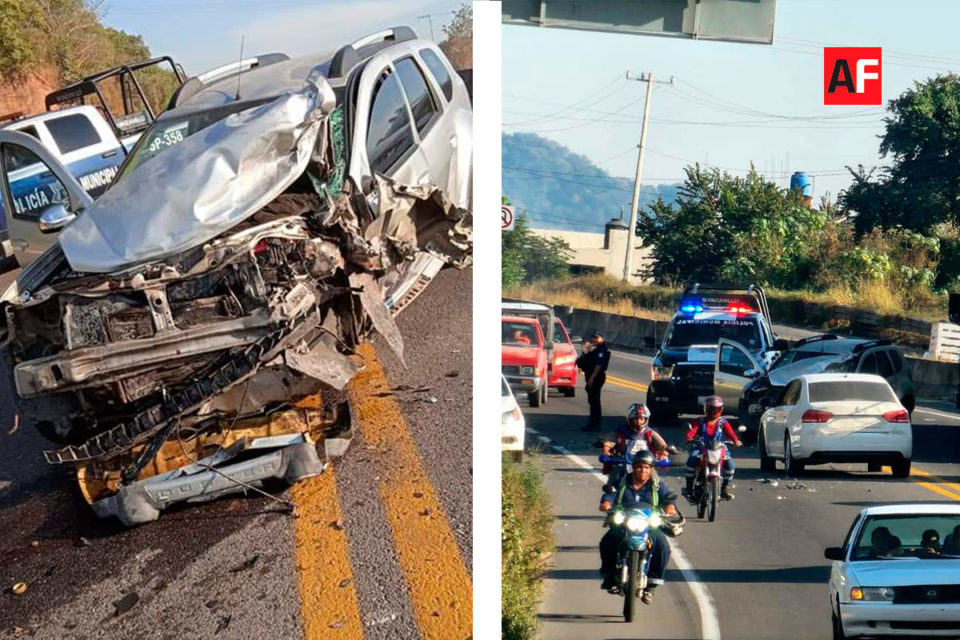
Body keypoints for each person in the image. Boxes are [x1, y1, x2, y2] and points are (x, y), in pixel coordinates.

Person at [598, 450, 677, 604]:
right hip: (623, 522)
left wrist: (670, 507)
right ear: (633, 467)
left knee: (663, 546)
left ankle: (652, 584)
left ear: (651, 469)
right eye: (640, 467)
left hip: (648, 524)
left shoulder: (657, 486)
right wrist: (606, 503)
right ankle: (608, 576)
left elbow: (669, 498)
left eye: (647, 467)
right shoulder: (622, 483)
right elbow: (609, 494)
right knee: (607, 541)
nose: (643, 470)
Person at [683, 395, 742, 501]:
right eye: (711, 409)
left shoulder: (723, 422)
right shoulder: (700, 421)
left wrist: (736, 441)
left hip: (719, 449)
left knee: (730, 464)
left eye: (716, 409)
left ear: (721, 409)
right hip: (701, 447)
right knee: (692, 459)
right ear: (706, 409)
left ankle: (725, 488)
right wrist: (689, 437)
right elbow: (691, 432)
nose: (713, 412)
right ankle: (689, 488)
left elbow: (731, 434)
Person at [599, 403, 672, 488]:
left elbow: (663, 447)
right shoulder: (621, 431)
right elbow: (608, 443)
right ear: (630, 418)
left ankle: (658, 498)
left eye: (641, 419)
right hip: (623, 464)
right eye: (636, 419)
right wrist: (606, 452)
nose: (639, 422)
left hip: (645, 464)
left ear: (646, 419)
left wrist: (664, 454)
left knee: (656, 483)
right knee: (612, 483)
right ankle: (610, 497)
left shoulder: (649, 433)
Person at [581, 331, 610, 432]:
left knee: (594, 401)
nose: (594, 339)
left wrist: (592, 378)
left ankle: (595, 424)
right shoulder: (596, 350)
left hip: (597, 377)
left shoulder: (601, 350)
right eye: (593, 337)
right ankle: (592, 423)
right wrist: (586, 351)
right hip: (593, 376)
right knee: (592, 401)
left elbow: (598, 366)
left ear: (602, 338)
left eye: (597, 338)